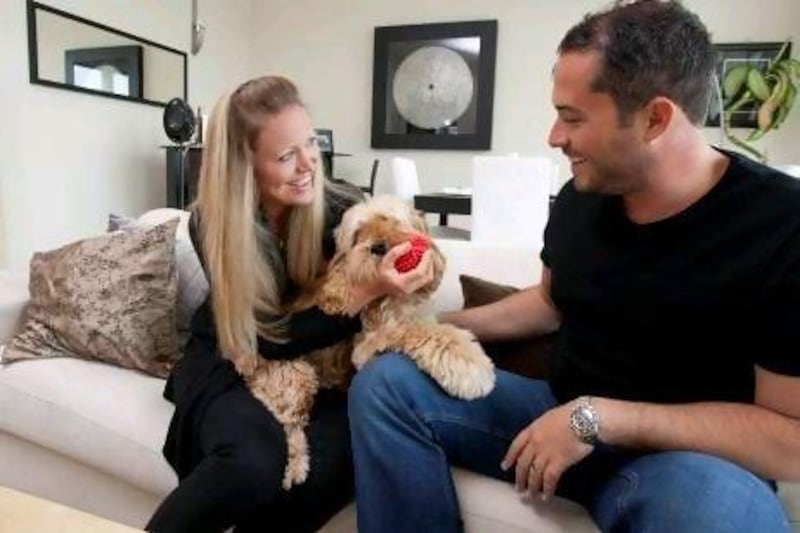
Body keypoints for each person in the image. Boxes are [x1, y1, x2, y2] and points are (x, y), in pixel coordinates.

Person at [348, 1, 800, 531]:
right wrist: (425, 331)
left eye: (572, 117)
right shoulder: (582, 197)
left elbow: (790, 439)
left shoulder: (781, 223)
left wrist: (598, 419)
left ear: (655, 118)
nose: (554, 137)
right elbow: (548, 302)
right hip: (552, 412)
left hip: (690, 462)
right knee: (388, 383)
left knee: (710, 515)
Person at [146, 76, 434, 533]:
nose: (308, 166)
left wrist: (411, 271)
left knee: (329, 467)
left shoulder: (342, 209)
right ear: (245, 166)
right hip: (235, 358)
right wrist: (367, 292)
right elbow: (267, 338)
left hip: (322, 374)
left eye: (310, 145)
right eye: (285, 156)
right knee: (254, 462)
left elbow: (409, 260)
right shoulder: (213, 222)